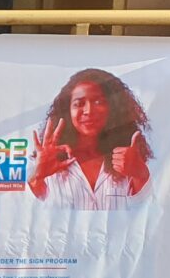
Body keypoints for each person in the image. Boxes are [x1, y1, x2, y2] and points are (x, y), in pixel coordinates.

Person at [29, 69, 152, 209]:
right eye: (79, 103)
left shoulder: (130, 160)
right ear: (67, 110)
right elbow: (27, 215)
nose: (88, 111)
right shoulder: (46, 163)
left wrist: (140, 174)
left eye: (98, 102)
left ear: (113, 107)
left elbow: (145, 213)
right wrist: (36, 179)